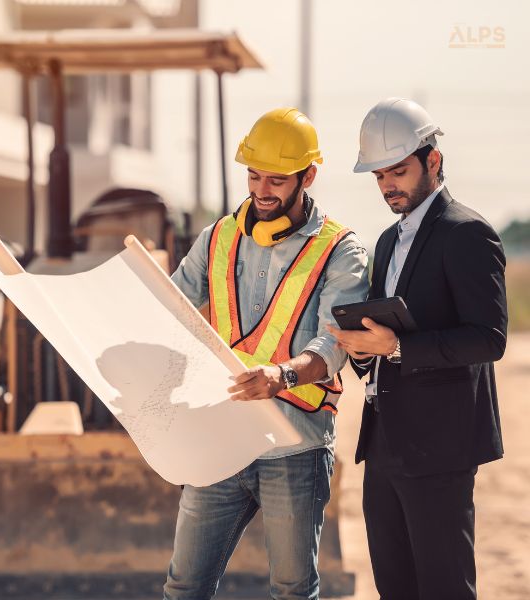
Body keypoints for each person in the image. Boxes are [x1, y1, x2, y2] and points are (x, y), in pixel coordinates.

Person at [163, 107, 369, 600]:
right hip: (221, 438)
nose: (261, 190)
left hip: (294, 448)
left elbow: (334, 344)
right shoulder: (217, 238)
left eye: (277, 179)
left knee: (293, 590)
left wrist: (282, 375)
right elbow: (168, 308)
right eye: (254, 176)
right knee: (184, 587)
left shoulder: (340, 251)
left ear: (308, 176)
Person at [328, 97, 507, 600]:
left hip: (442, 447)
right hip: (385, 444)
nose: (388, 184)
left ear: (433, 161)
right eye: (379, 174)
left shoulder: (467, 233)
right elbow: (385, 341)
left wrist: (400, 347)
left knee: (444, 587)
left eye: (398, 170)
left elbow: (489, 338)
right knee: (395, 587)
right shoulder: (385, 241)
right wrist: (364, 350)